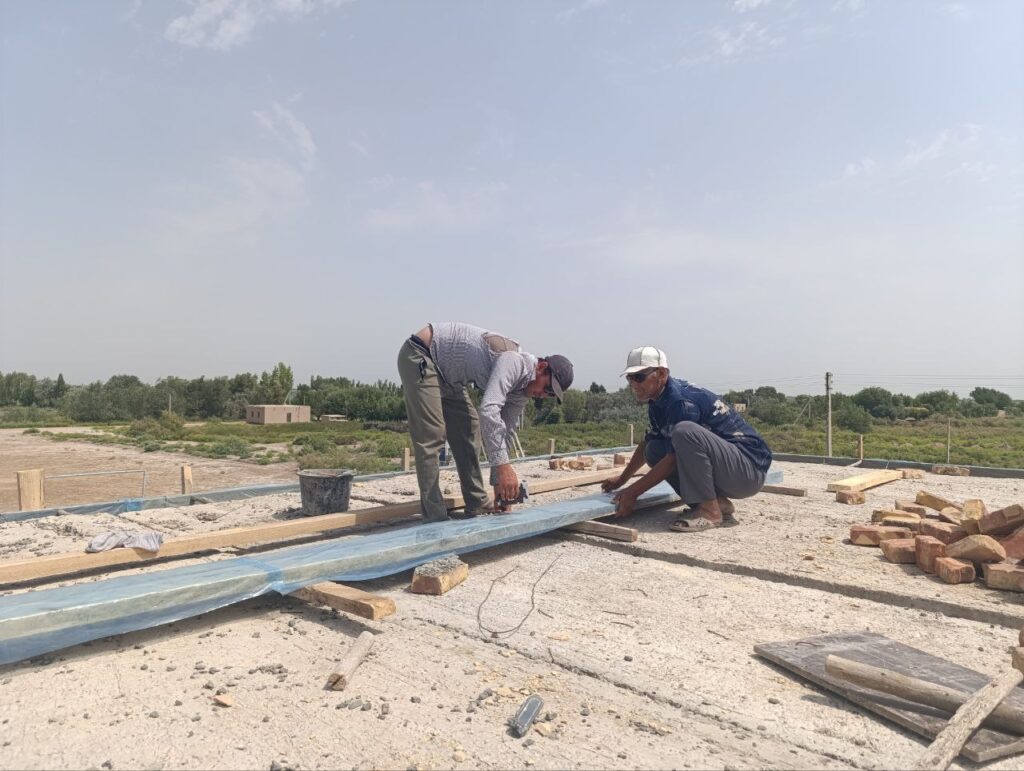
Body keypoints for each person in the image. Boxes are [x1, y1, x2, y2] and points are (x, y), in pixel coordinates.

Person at [397, 322, 574, 522]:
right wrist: (503, 468)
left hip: (449, 377)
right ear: (541, 367)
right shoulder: (513, 362)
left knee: (469, 427)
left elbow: (505, 431)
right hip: (422, 354)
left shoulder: (522, 391)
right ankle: (434, 516)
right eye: (547, 388)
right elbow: (489, 410)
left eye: (550, 395)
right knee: (432, 434)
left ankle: (476, 502)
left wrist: (499, 485)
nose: (543, 395)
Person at [602, 346, 771, 532]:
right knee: (653, 449)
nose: (633, 384)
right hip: (730, 469)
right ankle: (718, 503)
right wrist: (622, 480)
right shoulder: (658, 401)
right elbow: (647, 444)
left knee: (684, 432)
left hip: (747, 471)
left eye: (639, 377)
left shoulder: (681, 403)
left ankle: (709, 511)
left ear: (661, 373)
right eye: (630, 378)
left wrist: (633, 493)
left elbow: (673, 459)